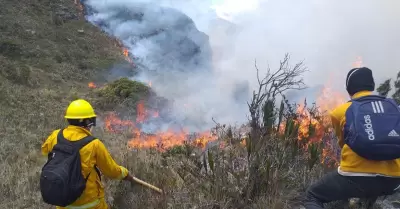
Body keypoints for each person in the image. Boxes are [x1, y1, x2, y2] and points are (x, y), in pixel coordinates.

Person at [304, 67, 400, 209]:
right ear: (372, 86)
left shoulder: (339, 112)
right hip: (394, 180)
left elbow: (343, 143)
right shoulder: (395, 107)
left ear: (349, 89)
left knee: (312, 195)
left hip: (354, 177)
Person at [41, 99, 136, 209]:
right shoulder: (94, 144)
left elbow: (45, 152)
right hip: (89, 204)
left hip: (62, 202)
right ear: (87, 122)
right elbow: (112, 171)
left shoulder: (55, 135)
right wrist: (125, 174)